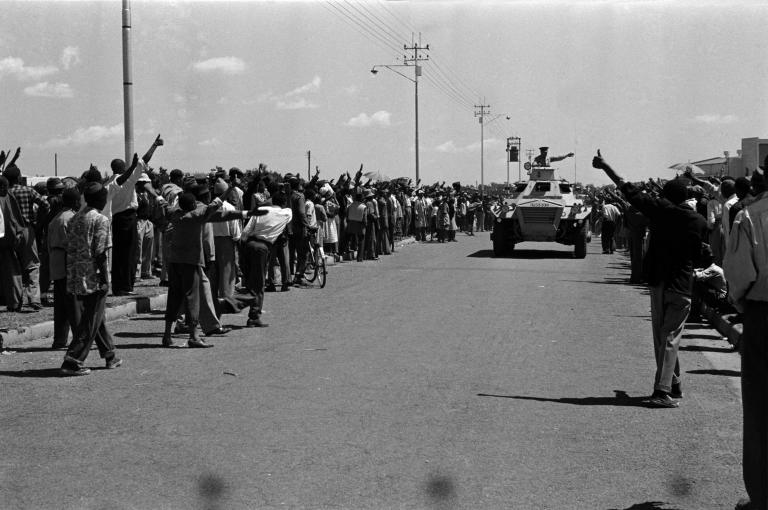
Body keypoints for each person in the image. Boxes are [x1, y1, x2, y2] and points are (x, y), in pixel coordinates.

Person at [593, 150, 707, 408]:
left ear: (665, 197)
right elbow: (701, 254)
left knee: (662, 338)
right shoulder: (697, 221)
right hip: (681, 285)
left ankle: (664, 389)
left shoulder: (659, 211)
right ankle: (670, 385)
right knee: (670, 336)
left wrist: (605, 165)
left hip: (658, 282)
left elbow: (626, 188)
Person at [723, 168, 768, 510]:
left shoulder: (751, 216)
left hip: (764, 315)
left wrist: (745, 308)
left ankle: (763, 498)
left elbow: (739, 277)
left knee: (760, 411)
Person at [60, 182, 121, 376]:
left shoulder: (75, 218)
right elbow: (100, 252)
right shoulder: (100, 220)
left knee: (96, 317)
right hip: (93, 275)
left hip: (75, 273)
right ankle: (73, 359)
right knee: (91, 319)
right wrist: (105, 279)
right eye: (104, 198)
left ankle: (109, 354)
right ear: (99, 200)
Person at [107, 135, 163, 296]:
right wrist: (154, 145)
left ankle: (120, 285)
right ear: (123, 167)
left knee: (120, 254)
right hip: (128, 217)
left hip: (118, 218)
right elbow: (143, 162)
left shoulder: (111, 181)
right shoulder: (126, 180)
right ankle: (125, 286)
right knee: (129, 254)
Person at [3, 155, 49, 310]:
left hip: (8, 232)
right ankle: (33, 298)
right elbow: (45, 204)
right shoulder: (28, 191)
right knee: (33, 264)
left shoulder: (4, 194)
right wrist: (39, 222)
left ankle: (15, 302)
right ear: (19, 177)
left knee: (12, 267)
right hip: (27, 229)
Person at [47, 188, 80, 349]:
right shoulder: (71, 218)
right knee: (73, 304)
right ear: (74, 201)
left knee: (60, 305)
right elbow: (72, 245)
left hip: (56, 262)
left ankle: (59, 339)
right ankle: (78, 338)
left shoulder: (56, 218)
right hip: (67, 262)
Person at [0, 175, 25, 311]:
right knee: (10, 273)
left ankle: (14, 302)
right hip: (5, 242)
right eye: (4, 187)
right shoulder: (7, 198)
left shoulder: (8, 198)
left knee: (11, 273)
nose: (6, 189)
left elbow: (15, 219)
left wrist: (18, 233)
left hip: (7, 243)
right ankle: (13, 301)